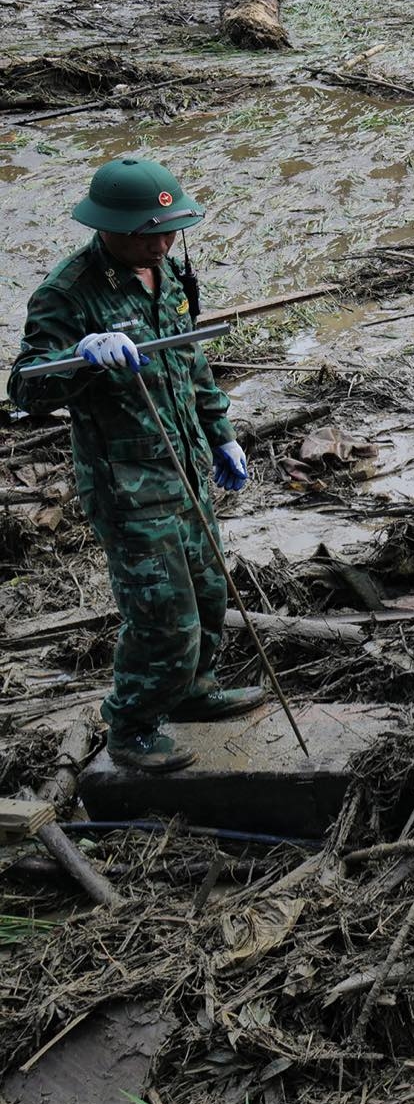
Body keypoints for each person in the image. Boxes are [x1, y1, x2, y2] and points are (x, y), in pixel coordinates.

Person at [8, 158, 263, 772]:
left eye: (170, 229)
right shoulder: (69, 292)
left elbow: (189, 361)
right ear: (111, 229)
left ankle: (192, 693)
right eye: (149, 233)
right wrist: (81, 357)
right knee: (162, 618)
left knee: (206, 600)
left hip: (188, 468)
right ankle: (132, 725)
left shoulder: (166, 271)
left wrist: (221, 434)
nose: (162, 242)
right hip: (129, 488)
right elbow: (25, 389)